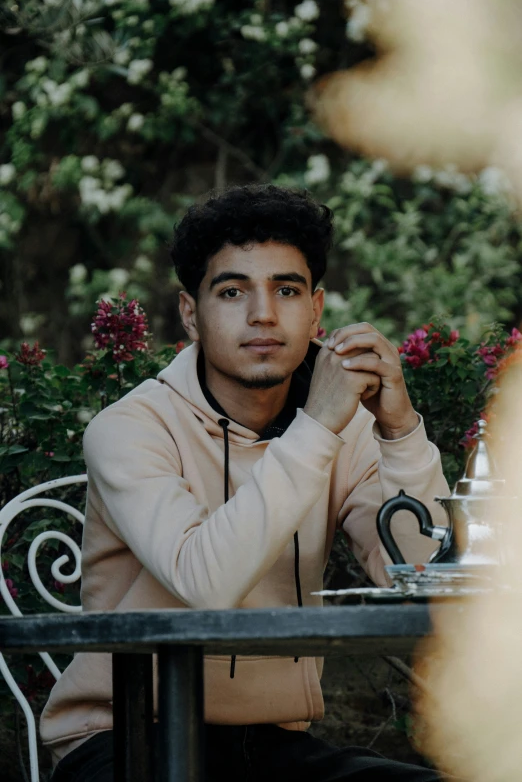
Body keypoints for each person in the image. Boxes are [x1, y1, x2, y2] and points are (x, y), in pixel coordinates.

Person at [42, 184, 449, 781]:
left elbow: (422, 579)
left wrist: (399, 430)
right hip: (122, 736)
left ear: (315, 310)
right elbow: (206, 583)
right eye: (232, 291)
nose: (263, 314)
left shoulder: (346, 429)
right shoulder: (129, 428)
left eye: (286, 290)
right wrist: (319, 426)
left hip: (275, 746)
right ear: (190, 313)